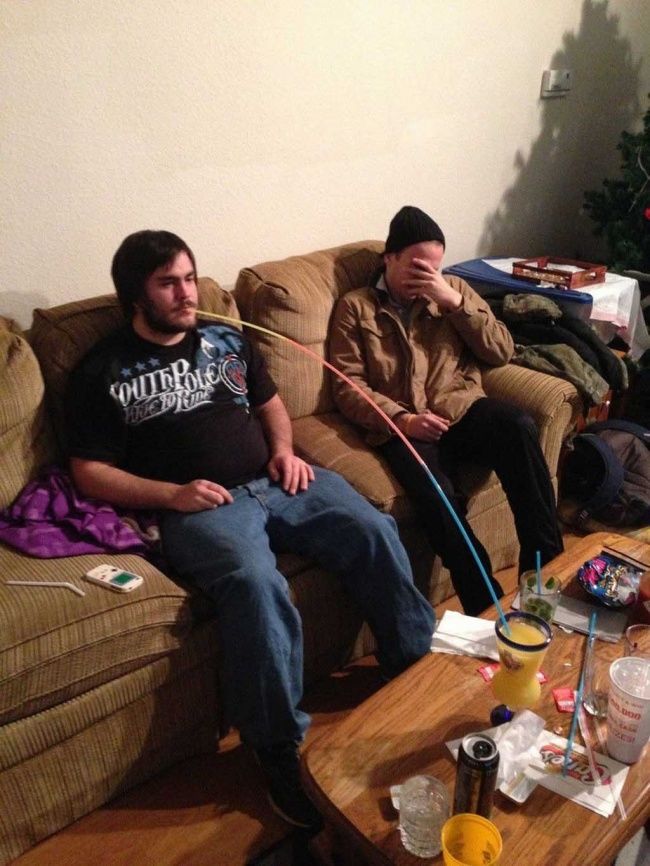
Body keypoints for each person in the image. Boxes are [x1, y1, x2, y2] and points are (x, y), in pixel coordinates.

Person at [65, 230, 435, 831]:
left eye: (190, 278)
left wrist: (285, 451)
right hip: (201, 507)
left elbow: (270, 406)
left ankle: (413, 664)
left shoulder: (226, 338)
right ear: (136, 295)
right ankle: (278, 749)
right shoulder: (102, 371)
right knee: (257, 585)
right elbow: (88, 470)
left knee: (372, 527)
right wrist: (172, 495)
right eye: (168, 283)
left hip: (276, 478)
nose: (187, 293)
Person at [329, 206, 564, 616]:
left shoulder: (452, 290)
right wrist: (403, 420)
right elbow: (347, 386)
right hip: (403, 424)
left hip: (462, 408)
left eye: (434, 268)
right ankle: (485, 602)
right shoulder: (356, 307)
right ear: (389, 258)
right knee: (437, 498)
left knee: (519, 426)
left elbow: (501, 351)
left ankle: (543, 574)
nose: (427, 277)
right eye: (417, 267)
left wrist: (454, 303)